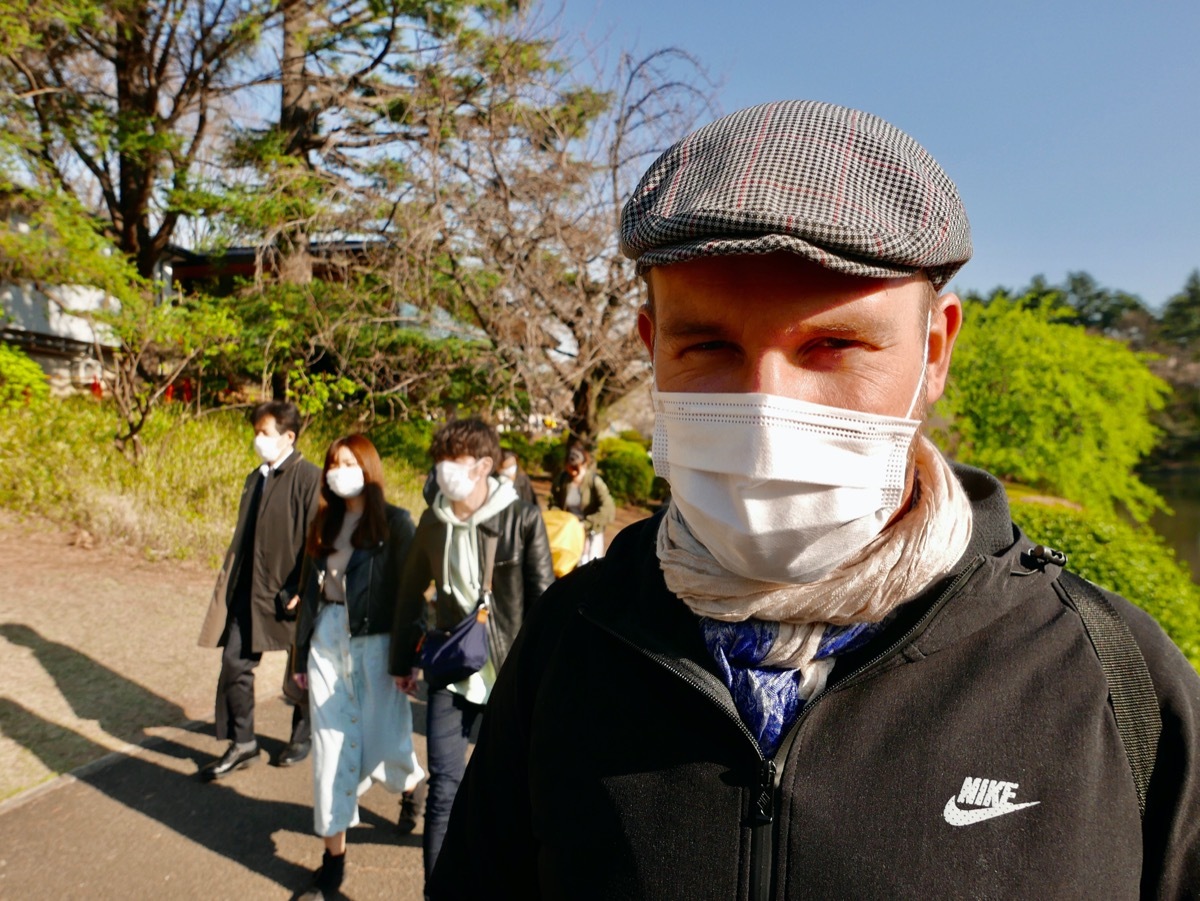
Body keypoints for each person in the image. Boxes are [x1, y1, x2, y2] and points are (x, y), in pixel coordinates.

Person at [427, 100, 1200, 898]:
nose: (766, 411)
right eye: (709, 346)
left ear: (933, 353)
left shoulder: (1111, 680)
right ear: (650, 347)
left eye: (833, 345)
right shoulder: (573, 641)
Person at [389, 417, 555, 892]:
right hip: (450, 669)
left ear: (484, 465)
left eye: (455, 461)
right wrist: (404, 661)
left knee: (507, 792)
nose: (444, 471)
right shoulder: (432, 519)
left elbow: (543, 600)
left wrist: (543, 676)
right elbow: (408, 593)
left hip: (507, 673)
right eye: (439, 461)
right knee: (444, 788)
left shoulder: (520, 518)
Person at [292, 434, 424, 900]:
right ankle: (333, 859)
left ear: (368, 468)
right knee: (331, 752)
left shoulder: (395, 524)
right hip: (327, 641)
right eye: (332, 462)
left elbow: (410, 598)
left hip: (377, 646)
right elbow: (310, 595)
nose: (337, 470)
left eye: (348, 462)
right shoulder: (323, 522)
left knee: (386, 739)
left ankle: (411, 785)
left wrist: (407, 658)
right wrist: (298, 658)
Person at [197, 400, 320, 779]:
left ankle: (303, 734)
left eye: (264, 433)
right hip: (249, 592)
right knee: (235, 664)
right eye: (256, 432)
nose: (258, 440)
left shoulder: (308, 477)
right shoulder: (256, 478)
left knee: (302, 671)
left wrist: (305, 585)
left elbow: (318, 537)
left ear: (288, 436)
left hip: (291, 592)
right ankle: (244, 742)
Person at [548, 443, 615, 564]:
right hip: (569, 529)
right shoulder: (562, 480)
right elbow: (554, 502)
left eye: (576, 467)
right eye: (570, 466)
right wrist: (562, 519)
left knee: (587, 565)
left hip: (590, 530)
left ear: (584, 464)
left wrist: (586, 524)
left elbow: (607, 508)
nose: (573, 471)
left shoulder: (594, 482)